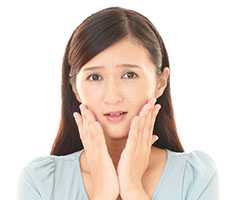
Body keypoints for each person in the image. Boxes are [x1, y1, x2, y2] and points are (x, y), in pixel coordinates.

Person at [17, 6, 219, 200]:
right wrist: (103, 193)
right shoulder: (41, 182)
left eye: (129, 75)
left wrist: (133, 188)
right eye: (95, 77)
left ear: (161, 82)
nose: (112, 97)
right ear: (74, 88)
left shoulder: (196, 177)